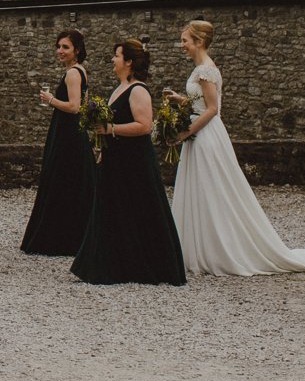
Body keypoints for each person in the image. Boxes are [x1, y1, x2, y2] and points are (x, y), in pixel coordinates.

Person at [168, 20, 305, 277]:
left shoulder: (205, 70)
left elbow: (213, 110)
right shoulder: (201, 69)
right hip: (200, 133)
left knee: (213, 191)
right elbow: (201, 104)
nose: (182, 45)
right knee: (202, 190)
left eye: (185, 41)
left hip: (204, 135)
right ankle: (196, 246)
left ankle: (218, 249)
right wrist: (181, 101)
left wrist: (186, 133)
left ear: (198, 42)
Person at [72, 39, 186, 286]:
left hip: (133, 162)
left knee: (139, 209)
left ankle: (148, 264)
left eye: (116, 55)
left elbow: (144, 126)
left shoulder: (138, 90)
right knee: (115, 210)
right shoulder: (120, 87)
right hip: (116, 159)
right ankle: (112, 264)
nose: (113, 60)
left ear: (129, 62)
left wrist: (109, 129)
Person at [21, 29, 94, 257]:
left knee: (62, 178)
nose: (60, 51)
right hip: (69, 130)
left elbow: (74, 107)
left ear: (77, 50)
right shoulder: (80, 71)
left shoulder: (73, 73)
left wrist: (50, 99)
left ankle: (60, 238)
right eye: (59, 46)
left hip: (68, 132)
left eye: (65, 47)